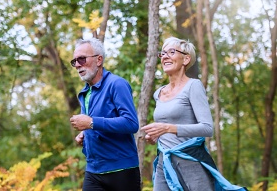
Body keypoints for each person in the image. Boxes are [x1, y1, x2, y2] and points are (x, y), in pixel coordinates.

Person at [141, 37, 247, 191]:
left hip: (190, 160)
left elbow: (207, 128)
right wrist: (155, 136)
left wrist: (168, 128)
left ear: (186, 59)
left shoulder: (193, 86)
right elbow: (165, 127)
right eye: (162, 53)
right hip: (165, 163)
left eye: (171, 52)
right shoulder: (159, 93)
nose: (165, 56)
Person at [69, 38, 141, 191]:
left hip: (122, 170)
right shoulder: (84, 92)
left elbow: (131, 123)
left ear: (99, 60)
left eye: (82, 59)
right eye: (74, 61)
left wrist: (91, 123)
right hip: (93, 169)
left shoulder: (117, 84)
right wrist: (85, 134)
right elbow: (93, 123)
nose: (77, 65)